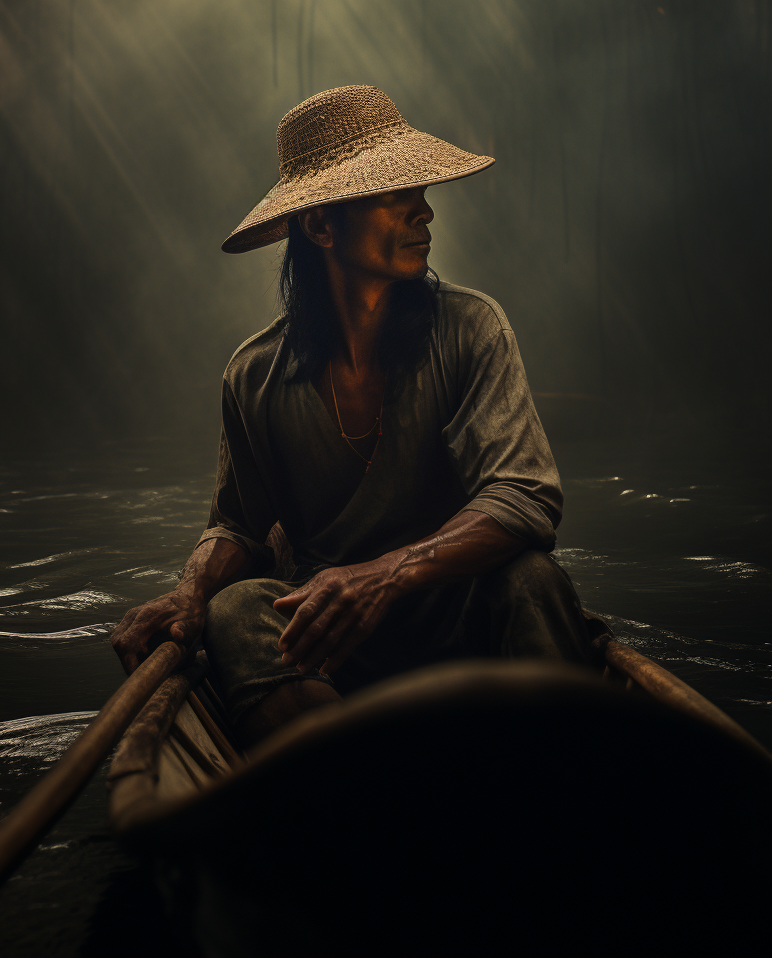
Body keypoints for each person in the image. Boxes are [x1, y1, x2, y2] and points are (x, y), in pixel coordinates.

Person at [112, 85, 608, 745]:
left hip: (454, 614)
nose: (425, 212)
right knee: (235, 612)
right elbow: (238, 523)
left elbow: (524, 497)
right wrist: (189, 594)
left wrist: (385, 576)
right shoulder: (254, 374)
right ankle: (356, 775)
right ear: (321, 227)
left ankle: (535, 761)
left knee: (534, 581)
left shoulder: (471, 329)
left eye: (420, 192)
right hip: (332, 641)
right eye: (394, 196)